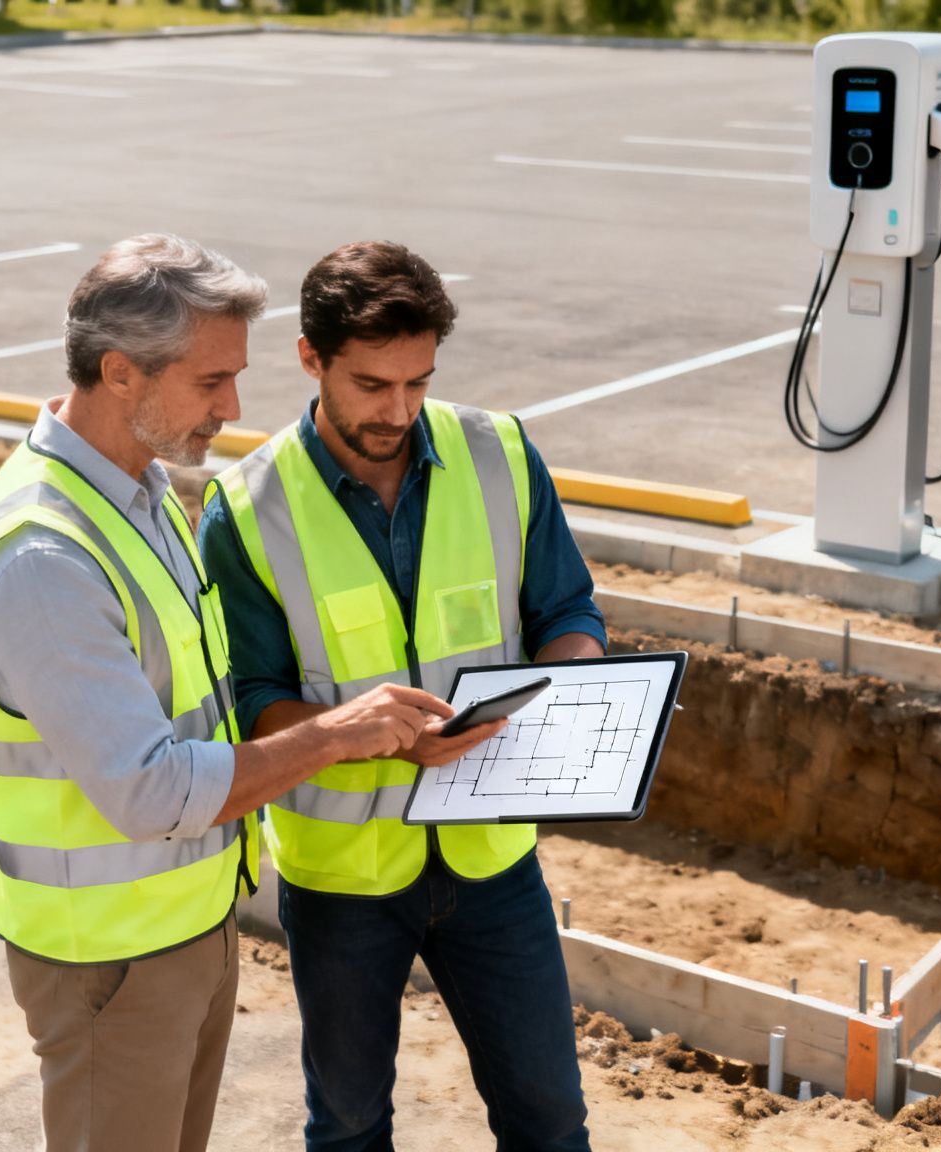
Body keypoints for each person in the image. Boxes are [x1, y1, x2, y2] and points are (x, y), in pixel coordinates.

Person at [0, 234, 483, 1152]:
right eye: (209, 381)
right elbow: (149, 789)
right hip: (107, 955)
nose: (234, 408)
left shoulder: (139, 493)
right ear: (120, 372)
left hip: (179, 924)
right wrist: (337, 736)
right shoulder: (44, 558)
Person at [200, 240, 607, 1151]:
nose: (399, 411)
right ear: (310, 357)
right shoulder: (247, 508)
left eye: (417, 383)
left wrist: (571, 682)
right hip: (345, 882)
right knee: (347, 1126)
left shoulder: (497, 453)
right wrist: (366, 736)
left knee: (550, 1118)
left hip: (493, 860)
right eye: (372, 385)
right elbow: (254, 699)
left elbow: (568, 609)